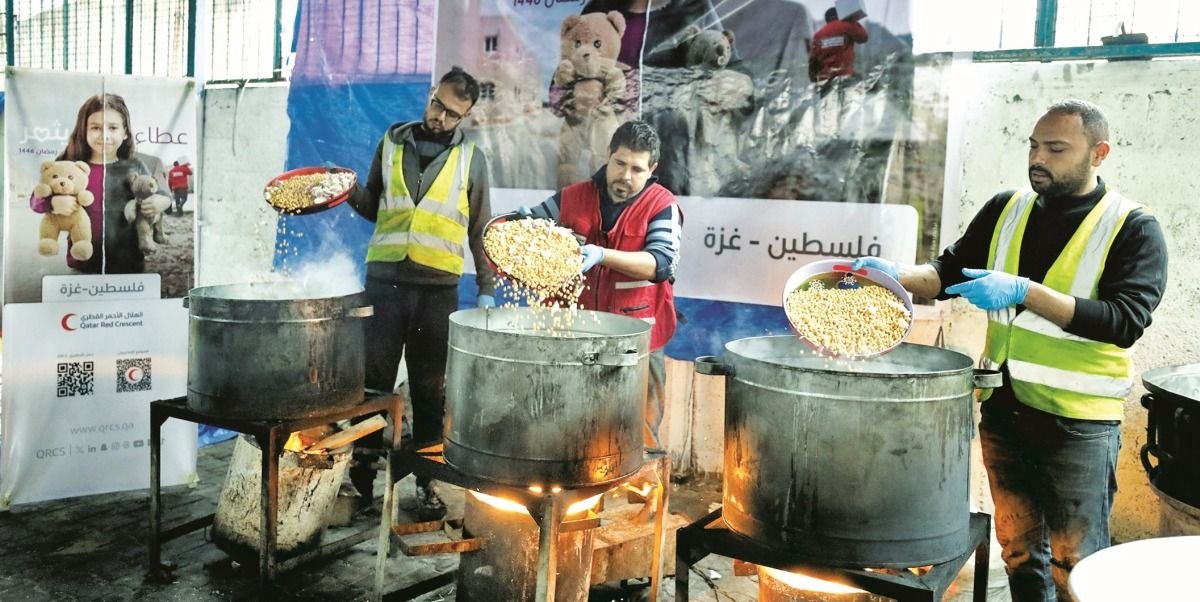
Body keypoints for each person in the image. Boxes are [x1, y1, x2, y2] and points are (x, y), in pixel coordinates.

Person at [854, 99, 1168, 602]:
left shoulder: (1131, 227)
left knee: (1077, 563)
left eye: (1056, 149)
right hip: (1005, 411)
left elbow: (1124, 321)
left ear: (1099, 153)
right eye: (1033, 146)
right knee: (1019, 552)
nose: (1038, 158)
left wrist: (1025, 291)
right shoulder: (1007, 208)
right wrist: (895, 275)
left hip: (1078, 424)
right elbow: (946, 274)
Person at [346, 66, 497, 520]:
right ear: (431, 94)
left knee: (430, 390)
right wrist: (347, 191)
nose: (440, 118)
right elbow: (373, 205)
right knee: (372, 385)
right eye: (438, 105)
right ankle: (362, 480)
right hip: (385, 284)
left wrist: (486, 288)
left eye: (453, 114)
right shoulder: (392, 142)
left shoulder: (472, 160)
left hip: (436, 293)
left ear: (465, 116)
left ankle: (428, 484)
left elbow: (480, 230)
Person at [520, 120, 683, 451]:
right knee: (569, 428)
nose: (625, 176)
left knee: (640, 436)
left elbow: (660, 263)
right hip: (574, 337)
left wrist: (601, 255)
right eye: (620, 163)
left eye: (637, 169)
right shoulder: (573, 197)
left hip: (637, 342)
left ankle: (643, 483)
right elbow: (529, 229)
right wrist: (522, 224)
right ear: (608, 155)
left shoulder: (661, 205)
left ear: (652, 169)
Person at [30, 93, 169, 274]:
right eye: (96, 128)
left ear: (125, 132)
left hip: (130, 266)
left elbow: (161, 193)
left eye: (113, 128)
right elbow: (36, 200)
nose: (104, 136)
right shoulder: (69, 164)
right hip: (82, 265)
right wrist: (53, 203)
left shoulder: (135, 165)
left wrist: (161, 201)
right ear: (83, 130)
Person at [808, 7, 868, 83]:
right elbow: (863, 37)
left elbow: (813, 60)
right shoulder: (846, 25)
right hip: (846, 76)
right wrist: (853, 20)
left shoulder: (818, 35)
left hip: (826, 80)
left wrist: (814, 80)